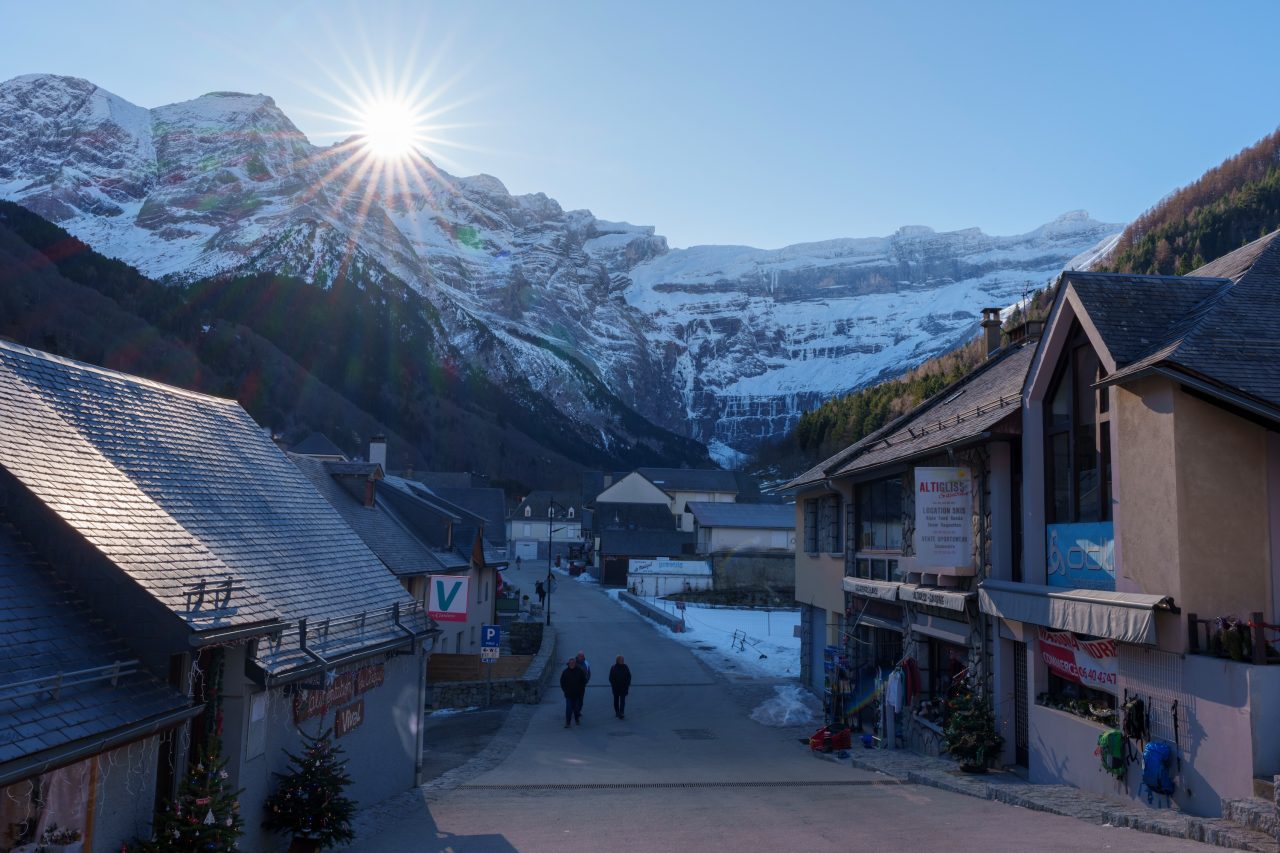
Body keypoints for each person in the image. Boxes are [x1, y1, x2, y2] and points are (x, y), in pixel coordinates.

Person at [560, 657, 587, 727]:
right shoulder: (565, 672)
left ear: (575, 664)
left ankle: (577, 719)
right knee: (568, 708)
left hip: (577, 694)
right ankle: (568, 722)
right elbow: (562, 683)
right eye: (570, 663)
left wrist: (580, 690)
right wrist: (565, 690)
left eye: (573, 663)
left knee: (576, 709)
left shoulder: (579, 671)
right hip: (568, 694)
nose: (572, 664)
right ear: (568, 664)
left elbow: (583, 681)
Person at [608, 655, 632, 719]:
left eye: (623, 660)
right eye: (621, 660)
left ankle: (621, 712)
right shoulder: (613, 668)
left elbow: (629, 676)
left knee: (622, 701)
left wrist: (627, 684)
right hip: (616, 688)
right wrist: (614, 685)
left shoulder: (625, 667)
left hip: (623, 688)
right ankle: (617, 712)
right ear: (617, 661)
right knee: (616, 700)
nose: (622, 661)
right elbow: (611, 678)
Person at [575, 650, 591, 715]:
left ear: (583, 656)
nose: (581, 657)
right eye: (579, 656)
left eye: (582, 656)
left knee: (581, 700)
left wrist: (586, 681)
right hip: (574, 686)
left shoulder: (586, 663)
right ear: (577, 656)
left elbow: (589, 673)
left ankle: (578, 710)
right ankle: (576, 711)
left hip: (582, 685)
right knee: (575, 699)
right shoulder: (574, 663)